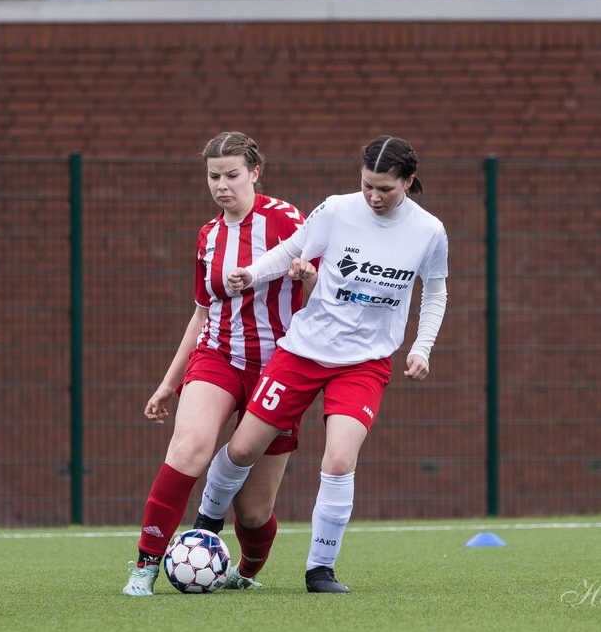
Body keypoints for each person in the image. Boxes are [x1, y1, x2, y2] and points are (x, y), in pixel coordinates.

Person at [195, 134, 449, 593]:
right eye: (367, 185)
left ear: (409, 182)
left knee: (338, 460)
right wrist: (250, 274)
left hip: (364, 364)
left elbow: (435, 293)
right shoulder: (335, 209)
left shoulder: (429, 231)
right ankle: (203, 530)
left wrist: (421, 347)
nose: (373, 196)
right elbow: (291, 251)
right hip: (303, 352)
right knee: (243, 448)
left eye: (385, 189)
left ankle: (320, 570)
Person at [122, 131, 316, 596]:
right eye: (214, 176)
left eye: (232, 175)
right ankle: (146, 565)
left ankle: (246, 568)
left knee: (252, 510)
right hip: (218, 357)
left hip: (280, 368)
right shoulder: (208, 236)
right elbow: (201, 313)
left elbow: (323, 283)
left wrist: (308, 273)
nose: (222, 185)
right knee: (189, 446)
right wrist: (168, 383)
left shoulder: (287, 220)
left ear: (254, 173)